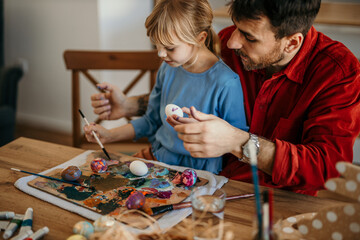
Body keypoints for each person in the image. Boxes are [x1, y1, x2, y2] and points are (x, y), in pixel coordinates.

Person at [90, 0, 360, 196]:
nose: (231, 42)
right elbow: (190, 94)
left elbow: (328, 168)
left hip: (271, 198)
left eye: (249, 37)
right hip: (198, 174)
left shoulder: (337, 73)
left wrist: (238, 142)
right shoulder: (229, 45)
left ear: (291, 42)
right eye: (236, 27)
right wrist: (131, 105)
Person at [84, 0, 248, 174]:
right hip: (159, 157)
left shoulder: (226, 82)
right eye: (157, 45)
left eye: (169, 47)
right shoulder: (169, 68)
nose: (161, 54)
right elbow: (151, 120)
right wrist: (110, 135)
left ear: (200, 38)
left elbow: (236, 142)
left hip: (200, 171)